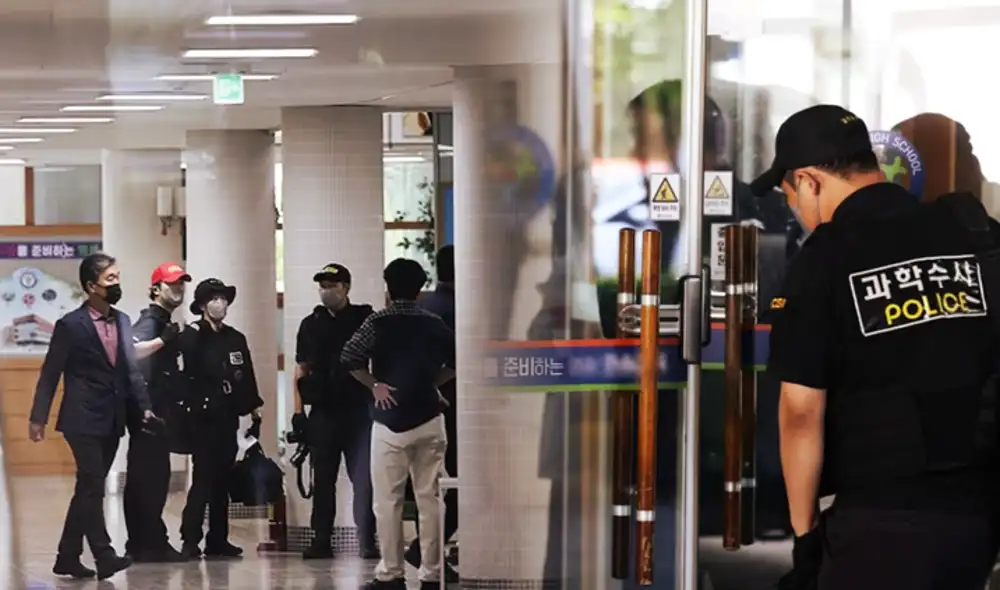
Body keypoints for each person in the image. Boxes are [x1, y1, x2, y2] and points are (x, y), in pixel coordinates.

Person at [754, 104, 1000, 589]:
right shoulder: (973, 233)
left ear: (809, 181)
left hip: (884, 517)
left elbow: (801, 411)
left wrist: (805, 538)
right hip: (980, 512)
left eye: (790, 198)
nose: (797, 212)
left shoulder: (824, 259)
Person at [28, 253, 152, 581]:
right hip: (81, 419)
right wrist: (37, 417)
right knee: (94, 483)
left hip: (113, 418)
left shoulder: (123, 320)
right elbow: (50, 372)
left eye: (117, 277)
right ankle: (104, 554)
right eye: (110, 279)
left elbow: (130, 370)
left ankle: (67, 557)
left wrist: (145, 406)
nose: (116, 284)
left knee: (87, 487)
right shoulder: (71, 325)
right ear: (90, 286)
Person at [342, 258, 455, 590]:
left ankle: (391, 573)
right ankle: (432, 574)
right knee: (430, 499)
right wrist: (433, 384)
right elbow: (458, 358)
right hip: (429, 417)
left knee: (387, 501)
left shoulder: (377, 322)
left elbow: (350, 357)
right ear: (420, 289)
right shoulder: (433, 323)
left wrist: (374, 384)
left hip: (388, 420)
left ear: (388, 288)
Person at [293, 263, 378, 559]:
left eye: (332, 284)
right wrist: (298, 412)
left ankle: (367, 539)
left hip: (358, 413)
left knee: (363, 480)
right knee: (323, 480)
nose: (326, 290)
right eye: (322, 285)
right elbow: (301, 369)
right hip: (324, 412)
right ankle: (321, 539)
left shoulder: (364, 319)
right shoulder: (310, 324)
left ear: (346, 287)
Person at [176, 278, 263, 559]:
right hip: (202, 419)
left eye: (224, 299)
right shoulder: (192, 335)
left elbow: (245, 375)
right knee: (203, 478)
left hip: (227, 417)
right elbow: (183, 376)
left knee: (222, 480)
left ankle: (218, 539)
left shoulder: (234, 338)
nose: (220, 304)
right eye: (214, 299)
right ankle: (190, 538)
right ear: (202, 305)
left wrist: (253, 407)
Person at [122, 262, 190, 563]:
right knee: (151, 479)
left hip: (156, 413)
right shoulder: (152, 321)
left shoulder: (163, 319)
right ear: (156, 289)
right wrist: (164, 340)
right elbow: (130, 353)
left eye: (181, 284)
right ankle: (151, 542)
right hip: (149, 416)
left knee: (146, 478)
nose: (178, 289)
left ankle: (141, 542)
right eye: (172, 284)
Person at [405, 245, 458, 580]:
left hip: (423, 409)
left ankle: (426, 552)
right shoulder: (453, 310)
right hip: (452, 408)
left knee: (430, 486)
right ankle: (425, 552)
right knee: (457, 485)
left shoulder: (428, 307)